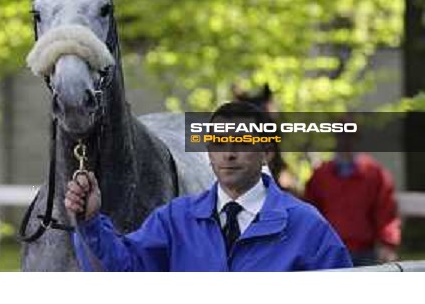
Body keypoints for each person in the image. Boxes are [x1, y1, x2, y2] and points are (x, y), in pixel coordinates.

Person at [65, 101, 352, 271]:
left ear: (266, 151)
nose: (228, 153)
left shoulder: (307, 227)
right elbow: (127, 269)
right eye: (218, 143)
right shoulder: (175, 219)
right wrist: (90, 222)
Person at [304, 126, 401, 267]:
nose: (345, 141)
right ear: (335, 138)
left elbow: (386, 211)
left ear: (357, 139)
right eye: (341, 136)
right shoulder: (321, 175)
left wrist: (388, 244)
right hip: (329, 251)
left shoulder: (374, 173)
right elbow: (310, 213)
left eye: (350, 136)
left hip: (365, 252)